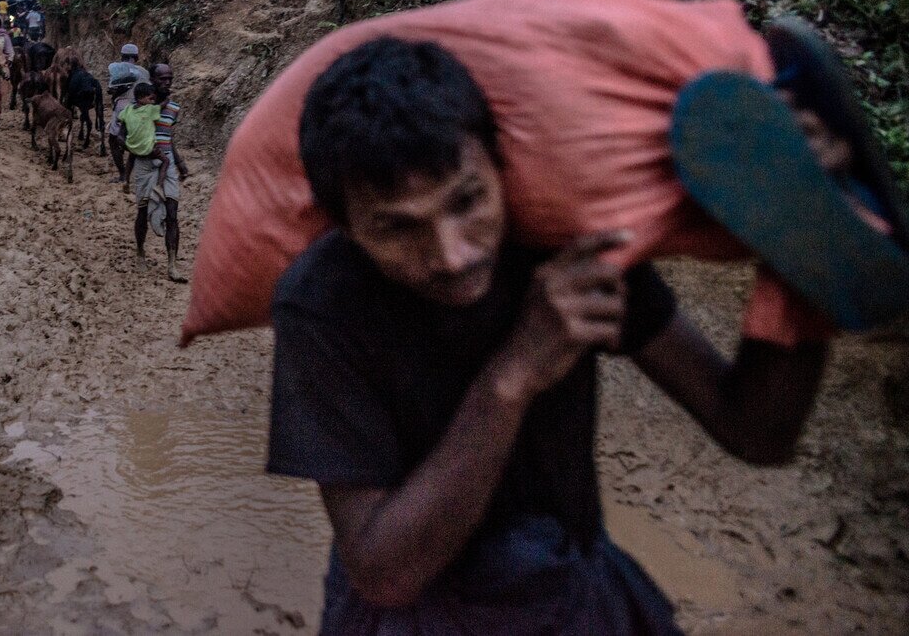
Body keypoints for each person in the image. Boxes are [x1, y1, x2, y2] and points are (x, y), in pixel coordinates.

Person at [268, 37, 835, 634]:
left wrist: (802, 234)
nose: (453, 253)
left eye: (468, 200)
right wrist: (512, 377)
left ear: (499, 166)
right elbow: (384, 573)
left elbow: (754, 432)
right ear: (347, 229)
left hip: (569, 594)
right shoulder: (321, 301)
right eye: (395, 228)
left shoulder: (562, 243)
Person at [131, 63, 188, 282]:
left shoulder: (173, 108)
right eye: (162, 79)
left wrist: (180, 162)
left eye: (170, 79)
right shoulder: (139, 107)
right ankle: (140, 251)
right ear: (152, 80)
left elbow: (168, 136)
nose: (167, 83)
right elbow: (132, 137)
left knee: (173, 213)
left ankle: (172, 264)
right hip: (145, 164)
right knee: (143, 211)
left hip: (168, 162)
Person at [106, 44, 152, 182]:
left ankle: (122, 174)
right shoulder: (144, 72)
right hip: (141, 107)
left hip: (123, 107)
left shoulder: (119, 69)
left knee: (114, 140)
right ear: (136, 57)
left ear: (122, 56)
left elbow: (112, 89)